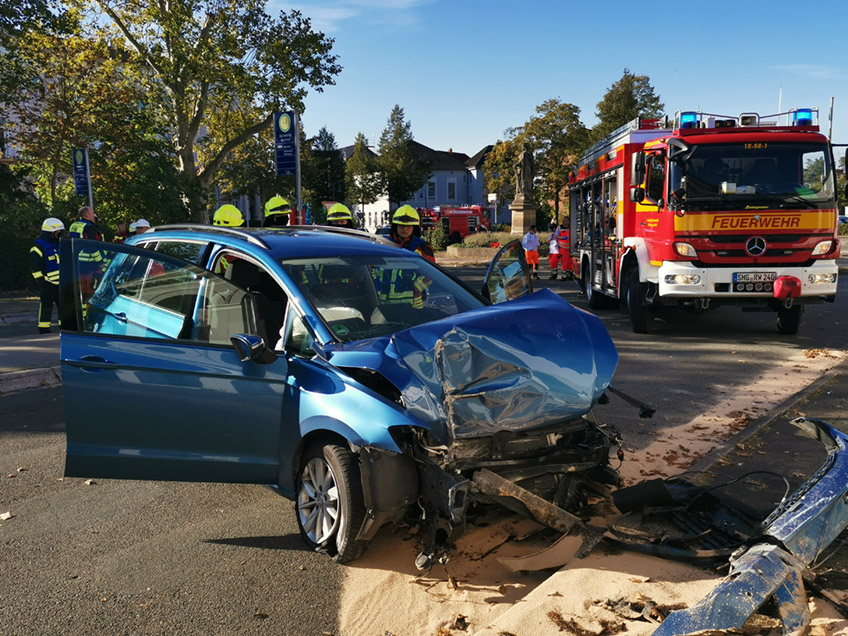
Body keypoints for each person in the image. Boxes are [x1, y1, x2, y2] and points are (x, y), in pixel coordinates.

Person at [29, 218, 64, 334]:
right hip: (47, 283)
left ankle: (64, 328)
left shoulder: (60, 244)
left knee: (63, 308)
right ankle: (44, 329)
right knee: (46, 308)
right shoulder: (38, 245)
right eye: (58, 231)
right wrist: (41, 281)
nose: (60, 234)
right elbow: (35, 266)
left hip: (62, 282)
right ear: (51, 231)